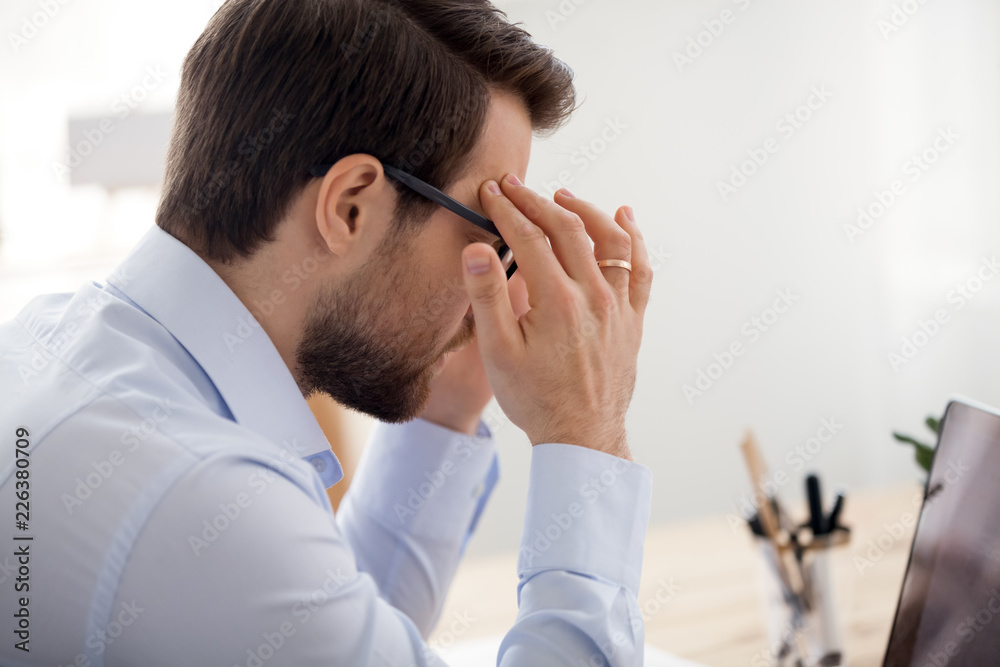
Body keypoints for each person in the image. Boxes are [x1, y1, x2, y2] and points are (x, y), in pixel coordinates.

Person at [0, 0, 653, 664]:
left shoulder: (55, 344)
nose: (486, 296)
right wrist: (586, 431)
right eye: (488, 238)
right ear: (349, 207)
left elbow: (322, 631)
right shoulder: (197, 498)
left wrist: (447, 402)